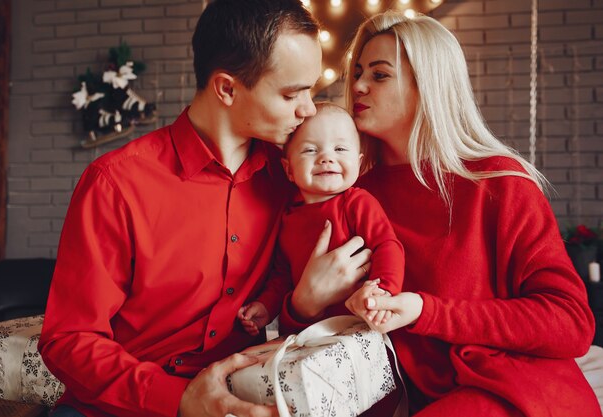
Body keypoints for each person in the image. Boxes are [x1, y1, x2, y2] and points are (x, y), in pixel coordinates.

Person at [37, 2, 372, 417]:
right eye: (291, 94)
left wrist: (302, 303)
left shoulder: (291, 176)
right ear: (227, 89)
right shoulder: (116, 183)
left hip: (241, 396)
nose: (307, 109)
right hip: (120, 406)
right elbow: (68, 340)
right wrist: (178, 399)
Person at [282, 10, 601, 417]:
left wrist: (425, 311)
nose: (357, 85)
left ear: (427, 85)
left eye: (379, 75)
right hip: (409, 400)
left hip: (514, 391)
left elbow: (570, 323)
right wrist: (302, 304)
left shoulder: (499, 182)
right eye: (358, 71)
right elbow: (320, 349)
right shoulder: (350, 195)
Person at [238, 102, 405, 335]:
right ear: (289, 170)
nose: (326, 158)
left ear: (358, 163)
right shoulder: (288, 217)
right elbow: (282, 276)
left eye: (340, 149)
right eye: (310, 150)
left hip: (358, 327)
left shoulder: (357, 203)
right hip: (310, 332)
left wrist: (383, 290)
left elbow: (387, 246)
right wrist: (266, 306)